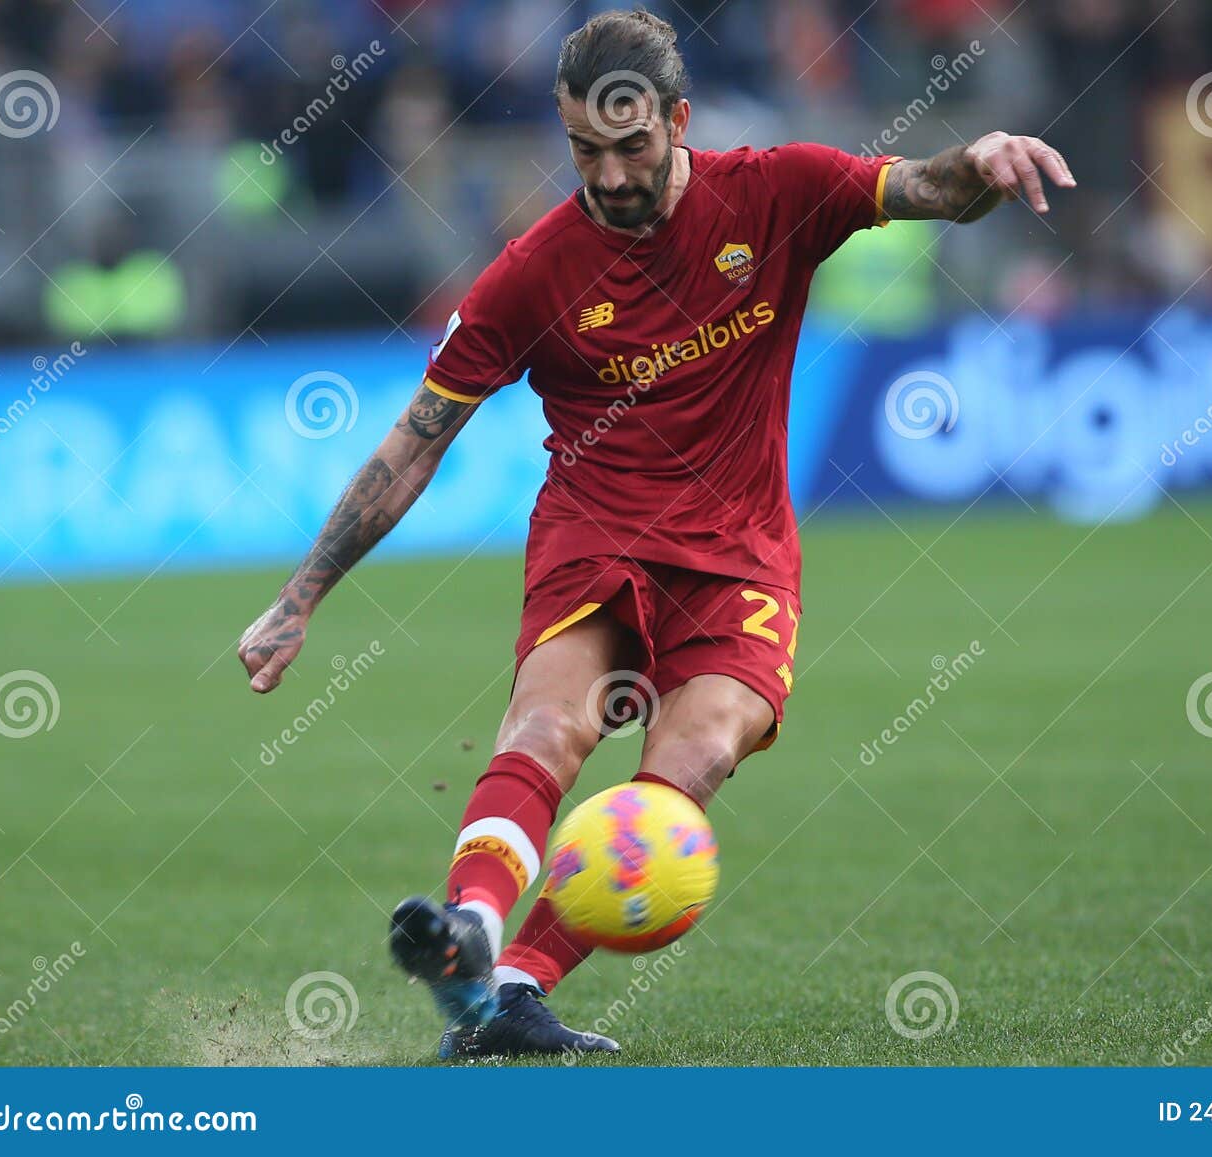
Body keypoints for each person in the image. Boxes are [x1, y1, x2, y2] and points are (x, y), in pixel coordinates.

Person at [236, 7, 1074, 1059]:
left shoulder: (777, 192)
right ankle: (470, 931)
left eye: (633, 147)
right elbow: (413, 442)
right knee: (549, 727)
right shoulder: (534, 272)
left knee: (698, 754)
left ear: (679, 120)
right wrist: (302, 594)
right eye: (587, 151)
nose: (612, 174)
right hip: (597, 532)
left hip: (739, 554)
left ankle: (509, 990)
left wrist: (983, 160)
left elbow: (931, 190)